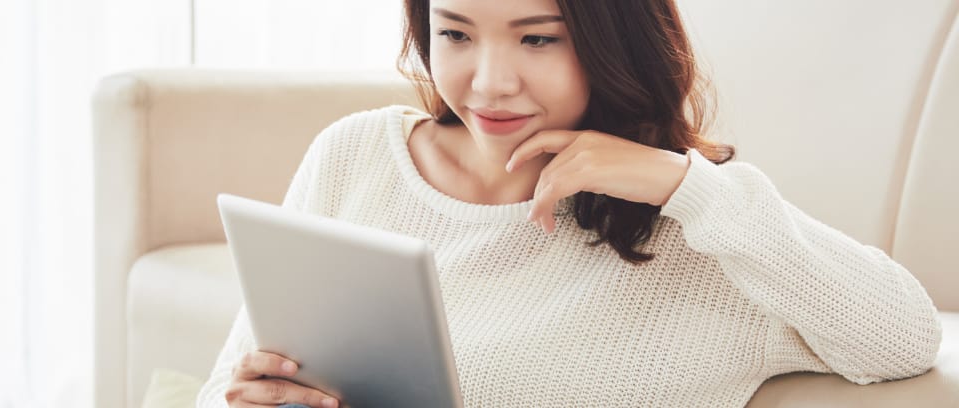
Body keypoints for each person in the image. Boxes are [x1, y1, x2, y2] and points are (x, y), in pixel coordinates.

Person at [197, 0, 943, 406]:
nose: (488, 83)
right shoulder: (354, 156)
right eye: (455, 32)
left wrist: (685, 187)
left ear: (614, 40)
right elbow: (229, 382)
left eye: (538, 39)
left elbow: (904, 336)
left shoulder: (701, 231)